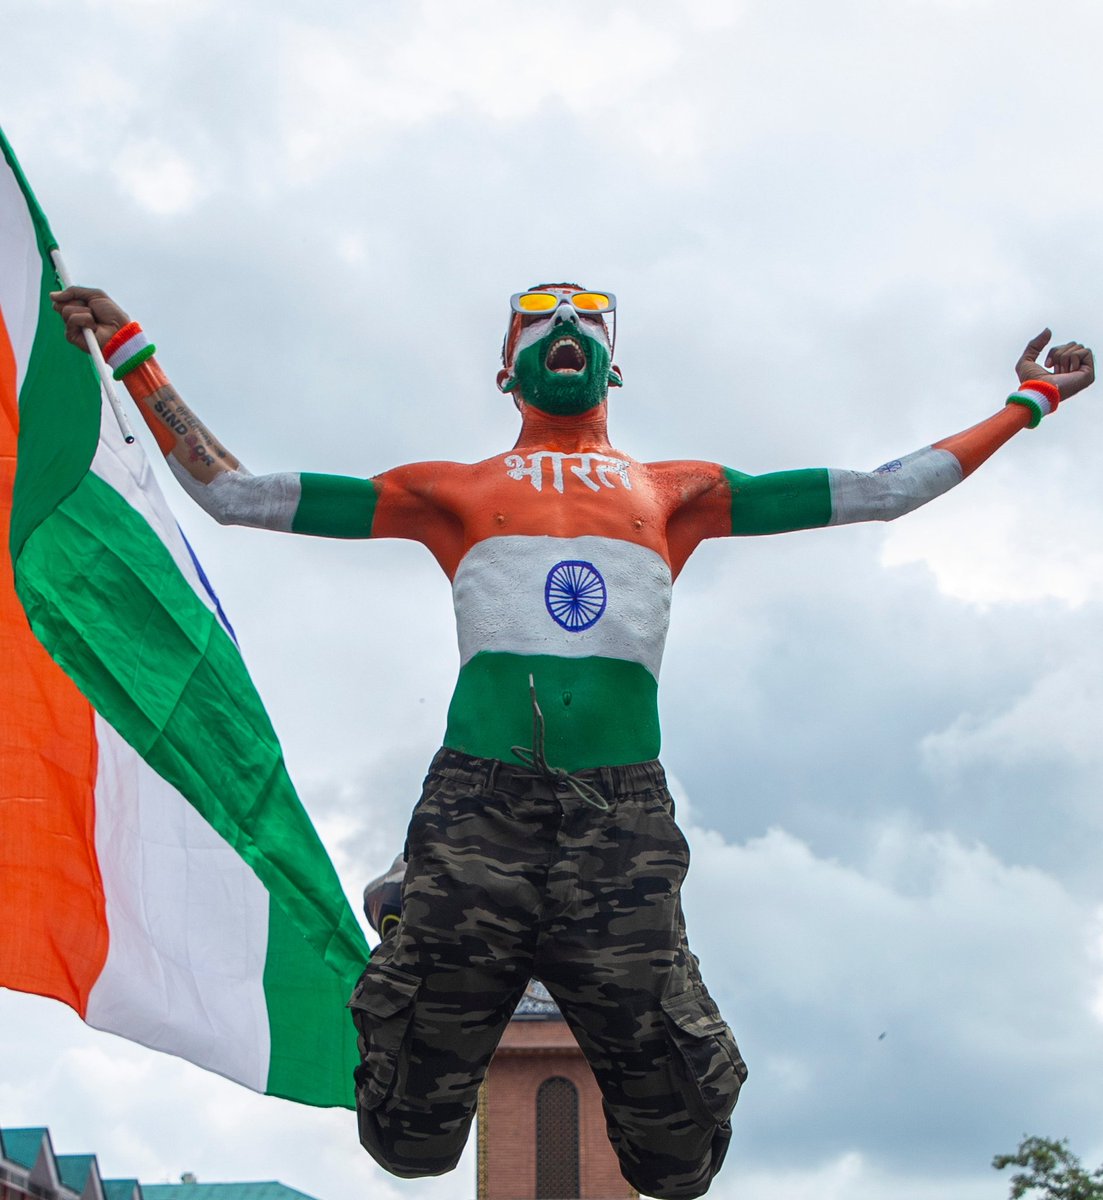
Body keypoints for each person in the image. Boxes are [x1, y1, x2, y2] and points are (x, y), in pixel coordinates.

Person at [51, 282, 1093, 1200]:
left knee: (679, 1162)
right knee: (410, 1148)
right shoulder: (451, 492)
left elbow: (882, 491)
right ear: (506, 368)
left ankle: (499, 939)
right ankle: (423, 918)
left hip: (618, 823)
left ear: (612, 361)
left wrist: (1029, 401)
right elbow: (234, 495)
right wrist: (131, 345)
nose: (562, 325)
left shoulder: (674, 493)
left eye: (586, 315)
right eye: (537, 317)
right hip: (476, 811)